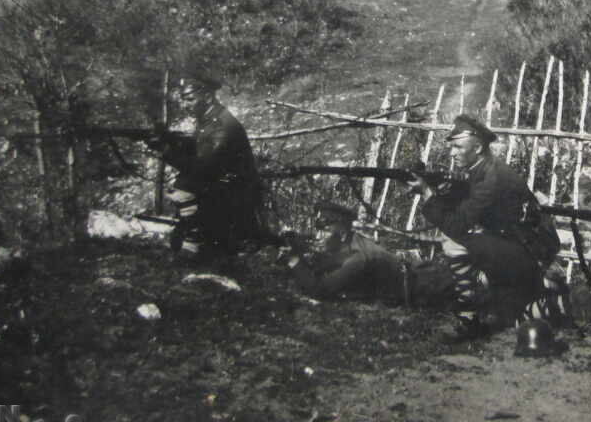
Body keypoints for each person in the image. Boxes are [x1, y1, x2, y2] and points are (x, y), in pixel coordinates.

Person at [409, 114, 562, 340]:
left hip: (530, 254)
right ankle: (536, 298)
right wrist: (440, 190)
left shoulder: (491, 179)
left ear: (478, 147)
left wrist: (428, 194)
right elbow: (468, 202)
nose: (452, 153)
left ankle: (469, 316)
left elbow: (458, 224)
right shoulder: (486, 169)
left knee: (454, 243)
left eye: (459, 147)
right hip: (519, 247)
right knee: (512, 315)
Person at [149, 73, 261, 264]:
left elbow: (203, 167)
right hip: (221, 186)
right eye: (184, 100)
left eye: (190, 99)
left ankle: (200, 241)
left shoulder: (221, 124)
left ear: (207, 97)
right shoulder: (210, 117)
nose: (186, 105)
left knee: (183, 189)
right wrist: (169, 138)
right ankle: (199, 238)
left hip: (233, 192)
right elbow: (199, 146)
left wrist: (166, 151)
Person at [287, 201, 406, 303]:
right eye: (318, 229)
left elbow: (320, 290)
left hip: (418, 288)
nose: (318, 236)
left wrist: (295, 261)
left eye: (325, 230)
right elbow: (326, 265)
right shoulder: (352, 244)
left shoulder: (358, 256)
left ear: (342, 230)